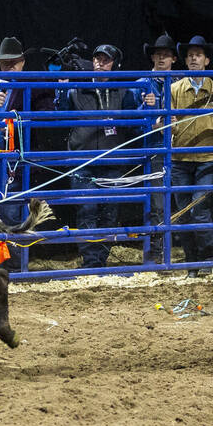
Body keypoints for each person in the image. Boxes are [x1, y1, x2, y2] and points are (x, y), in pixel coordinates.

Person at [57, 43, 143, 269]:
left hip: (112, 158)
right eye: (97, 59)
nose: (100, 63)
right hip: (83, 158)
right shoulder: (77, 89)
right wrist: (62, 91)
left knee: (109, 210)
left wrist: (147, 111)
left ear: (115, 64)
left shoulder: (124, 91)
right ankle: (91, 260)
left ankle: (100, 259)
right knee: (86, 208)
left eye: (106, 60)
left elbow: (133, 124)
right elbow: (61, 116)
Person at [168, 36, 213, 271]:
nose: (193, 58)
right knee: (186, 214)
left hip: (208, 157)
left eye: (198, 55)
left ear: (207, 60)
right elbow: (166, 124)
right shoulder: (174, 89)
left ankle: (206, 257)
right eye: (190, 55)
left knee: (199, 209)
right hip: (180, 158)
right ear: (186, 61)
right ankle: (192, 262)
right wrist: (170, 123)